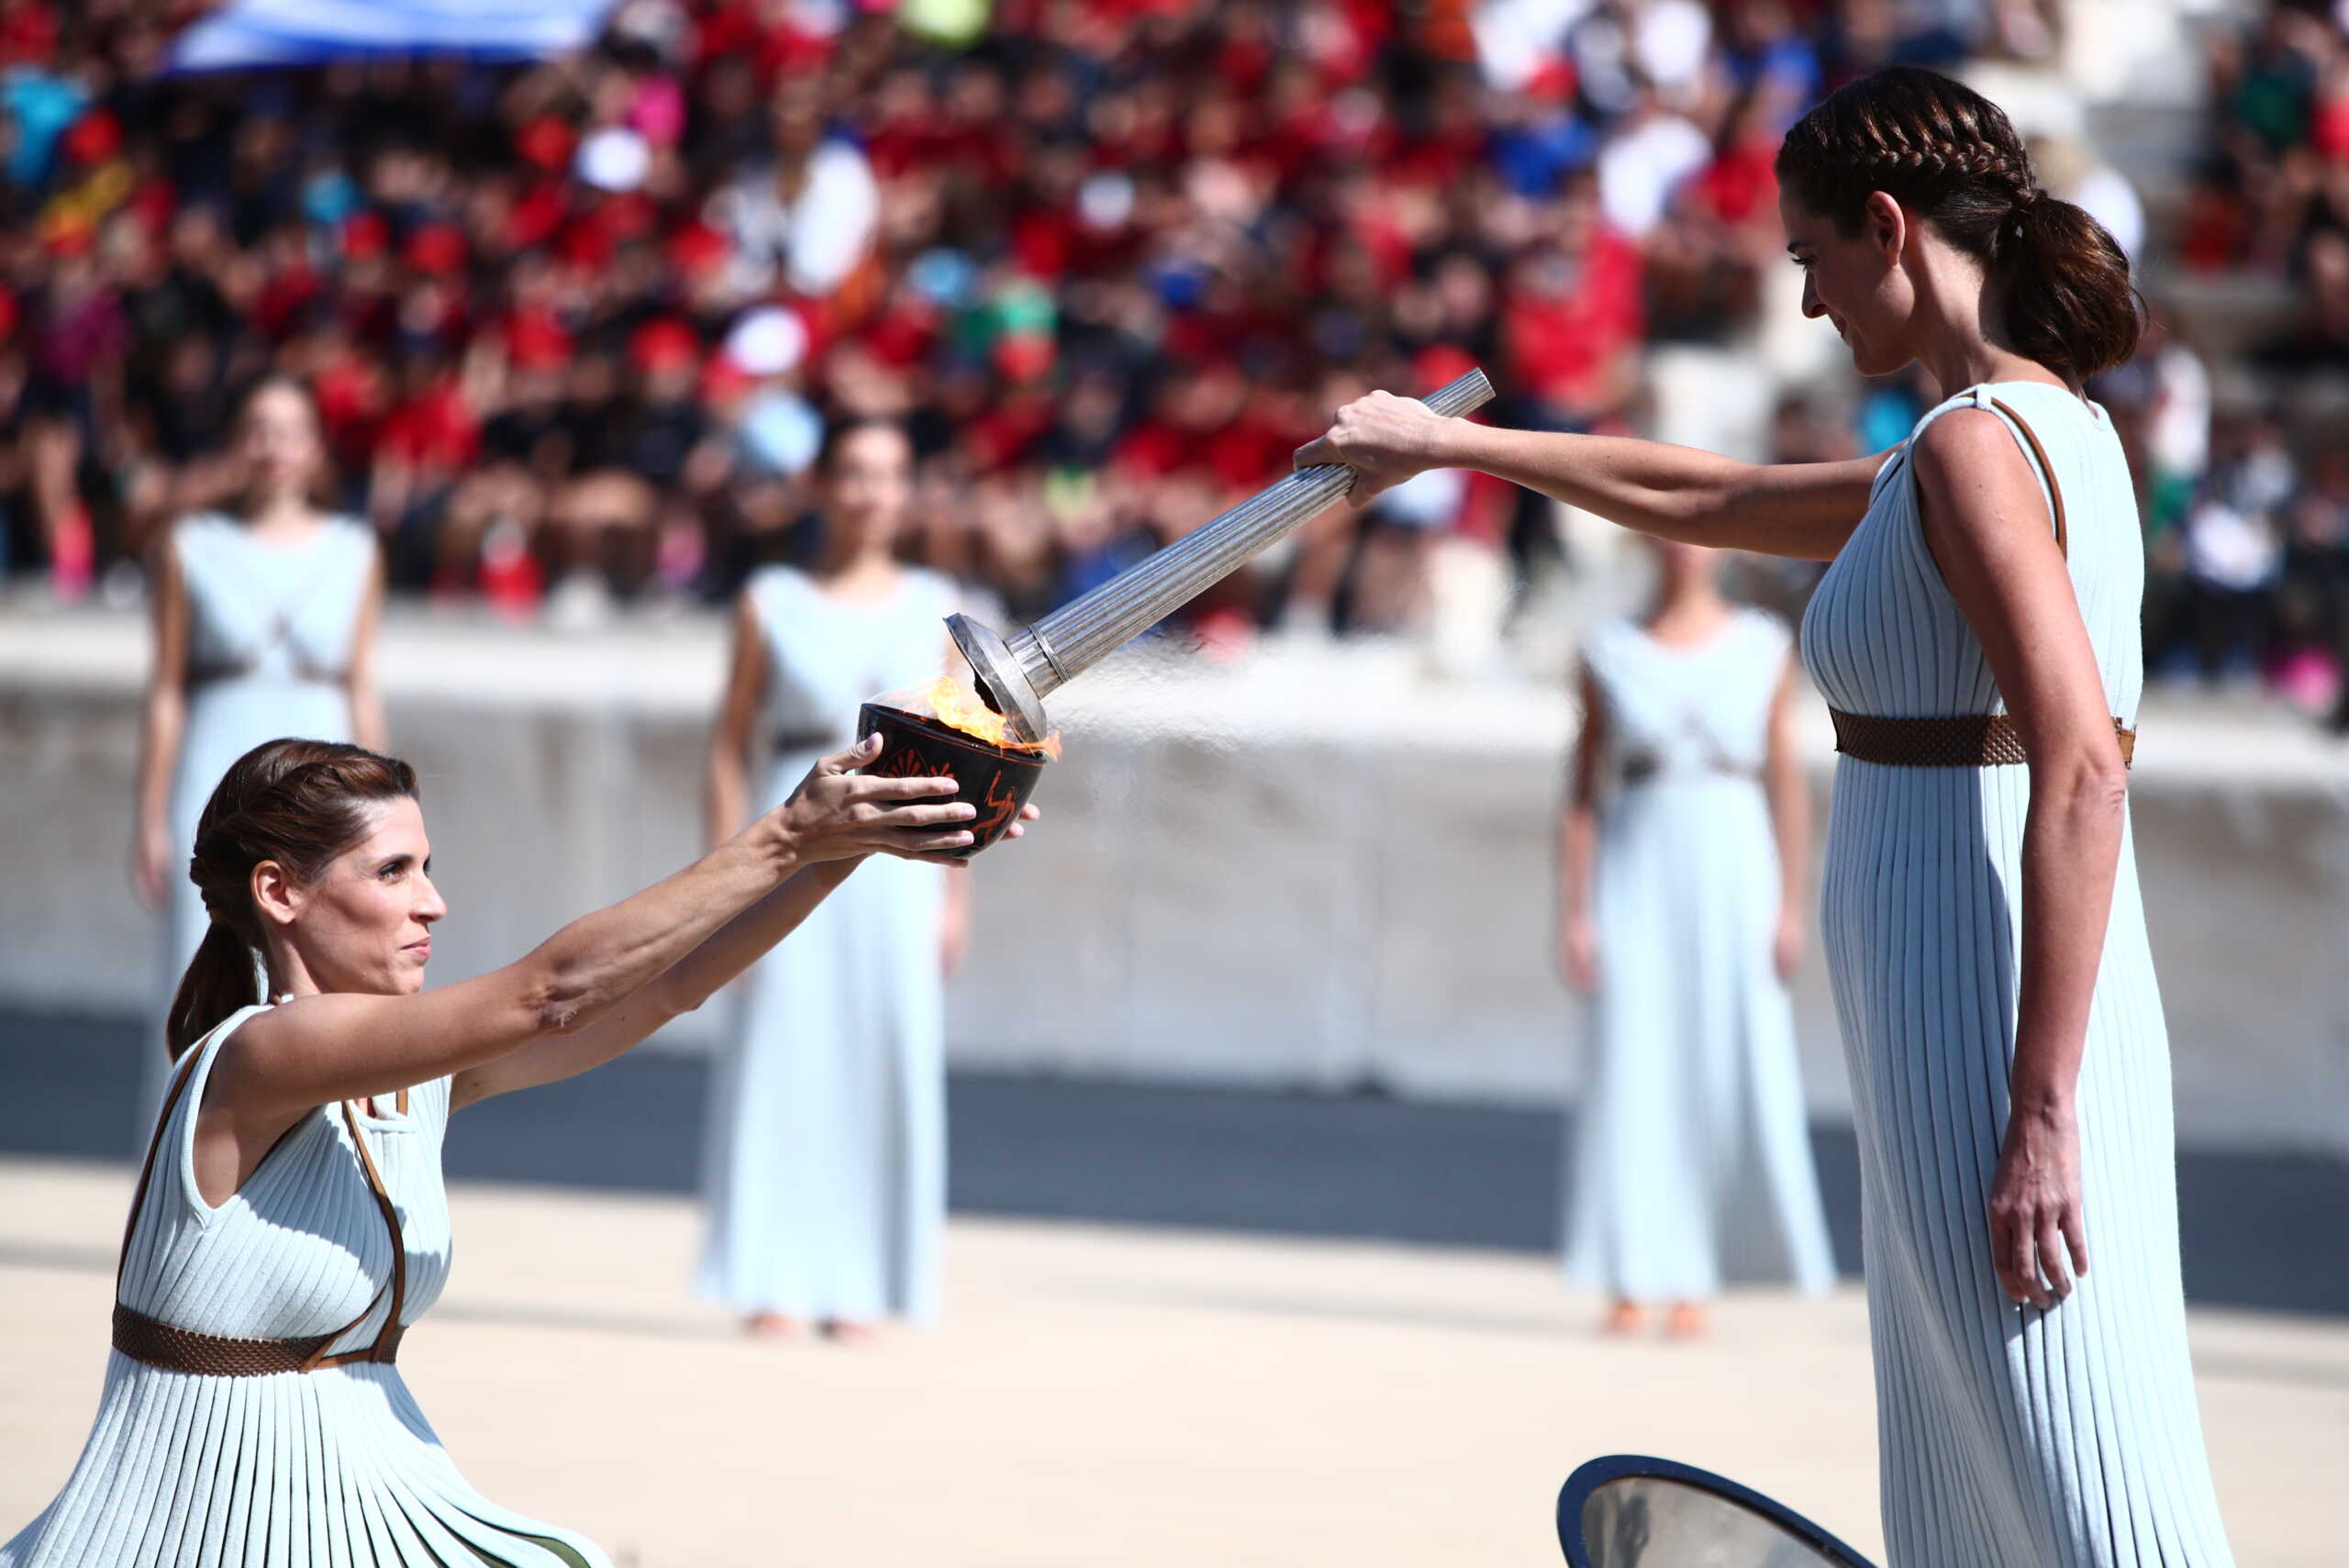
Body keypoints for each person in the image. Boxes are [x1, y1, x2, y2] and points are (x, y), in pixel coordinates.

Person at [1302, 64, 2236, 1568]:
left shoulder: (1977, 446)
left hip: (1992, 1020)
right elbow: (1717, 495)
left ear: (1888, 227)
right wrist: (1459, 445)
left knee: (2090, 1496)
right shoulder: (2003, 439)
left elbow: (2080, 763)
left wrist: (2044, 1109)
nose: (1809, 308)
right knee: (1974, 1498)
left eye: (1813, 260)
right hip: (1960, 1012)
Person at [1, 734, 1028, 1568]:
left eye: (427, 867)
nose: (432, 901)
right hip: (186, 1523)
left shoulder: (410, 1078)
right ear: (280, 892)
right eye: (393, 870)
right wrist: (783, 832)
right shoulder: (261, 1053)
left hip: (365, 1496)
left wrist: (852, 842)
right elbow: (548, 992)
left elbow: (668, 985)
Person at [699, 417, 968, 1338]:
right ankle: (769, 1272)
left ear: (908, 491)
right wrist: (721, 876)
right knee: (783, 1043)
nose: (869, 492)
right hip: (788, 833)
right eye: (852, 472)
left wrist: (954, 891)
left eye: (888, 474)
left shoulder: (939, 607)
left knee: (878, 1049)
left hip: (897, 854)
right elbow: (729, 747)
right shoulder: (770, 600)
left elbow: (969, 762)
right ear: (821, 486)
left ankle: (865, 1279)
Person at [1558, 538, 1834, 1339]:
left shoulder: (1763, 647)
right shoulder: (1609, 649)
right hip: (1637, 863)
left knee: (1725, 1058)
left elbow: (1784, 779)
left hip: (1732, 868)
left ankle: (1700, 1274)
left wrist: (1788, 902)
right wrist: (1577, 910)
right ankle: (1629, 1273)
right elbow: (1582, 789)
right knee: (1634, 1063)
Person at [131, 376, 385, 1117]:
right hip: (216, 752)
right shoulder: (191, 545)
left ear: (315, 445)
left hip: (321, 754)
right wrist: (151, 813)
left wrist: (384, 810)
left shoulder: (354, 547)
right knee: (204, 949)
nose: (272, 445)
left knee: (325, 947)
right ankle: (186, 1144)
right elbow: (166, 687)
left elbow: (362, 680)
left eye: (289, 429)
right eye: (256, 426)